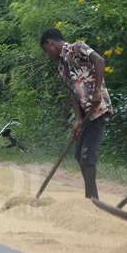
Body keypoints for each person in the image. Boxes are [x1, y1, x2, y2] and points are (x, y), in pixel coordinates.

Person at [40, 28, 113, 199]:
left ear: (51, 43)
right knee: (79, 154)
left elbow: (100, 61)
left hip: (98, 108)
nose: (47, 54)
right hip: (84, 113)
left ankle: (92, 198)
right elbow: (73, 92)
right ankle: (91, 196)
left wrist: (97, 92)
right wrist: (78, 119)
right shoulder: (60, 66)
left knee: (87, 155)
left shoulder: (77, 48)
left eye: (46, 50)